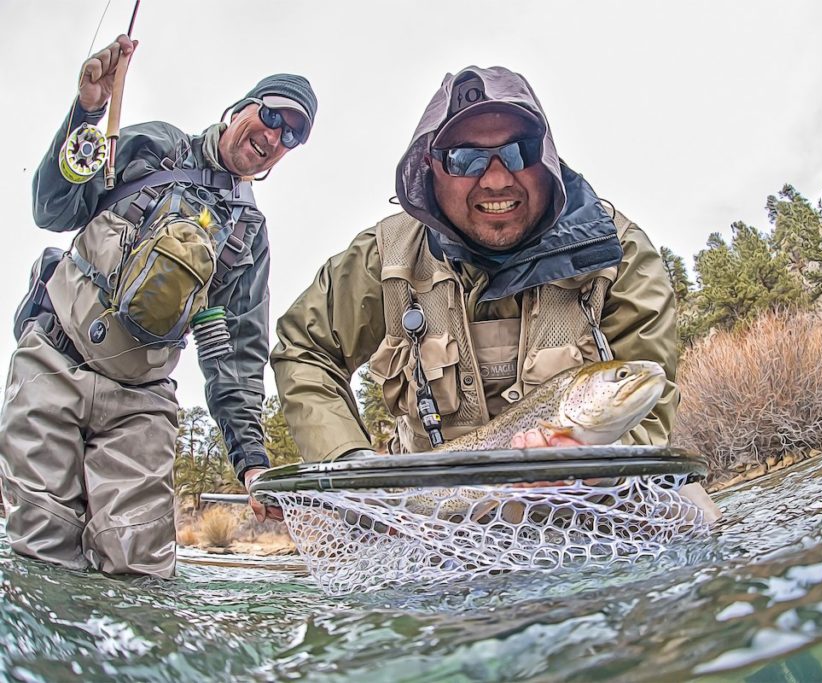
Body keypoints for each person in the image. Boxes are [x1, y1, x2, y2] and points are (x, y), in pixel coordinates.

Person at [268, 65, 719, 520]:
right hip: (433, 515)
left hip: (594, 505)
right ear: (431, 167)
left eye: (519, 151)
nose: (498, 179)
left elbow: (650, 410)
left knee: (693, 513)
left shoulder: (617, 251)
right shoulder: (383, 258)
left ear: (546, 157)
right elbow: (303, 348)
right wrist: (352, 468)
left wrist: (600, 470)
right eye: (467, 158)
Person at [0, 35, 317, 577]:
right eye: (271, 116)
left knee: (140, 567)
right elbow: (52, 207)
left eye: (293, 134)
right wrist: (88, 112)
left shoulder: (247, 237)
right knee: (43, 547)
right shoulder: (152, 146)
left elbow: (233, 354)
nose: (275, 135)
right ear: (241, 109)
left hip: (141, 402)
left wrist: (252, 463)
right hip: (54, 360)